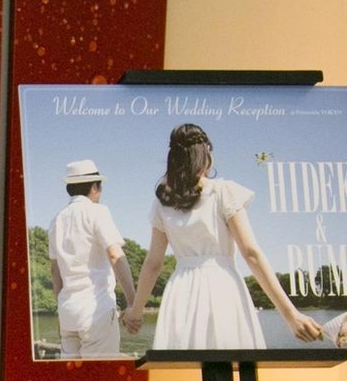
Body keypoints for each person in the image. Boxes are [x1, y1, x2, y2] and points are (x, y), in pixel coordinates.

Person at [124, 124, 323, 349]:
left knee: (185, 363)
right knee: (234, 359)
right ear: (205, 154)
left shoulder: (163, 203)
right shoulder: (223, 192)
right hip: (222, 286)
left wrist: (135, 312)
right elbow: (251, 253)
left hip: (181, 292)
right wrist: (291, 315)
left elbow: (153, 263)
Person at [48, 158, 136, 357]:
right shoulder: (97, 212)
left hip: (67, 313)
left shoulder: (56, 220)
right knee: (101, 373)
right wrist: (133, 303)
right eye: (100, 187)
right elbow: (115, 255)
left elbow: (55, 270)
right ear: (94, 187)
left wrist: (60, 309)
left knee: (71, 374)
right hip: (96, 311)